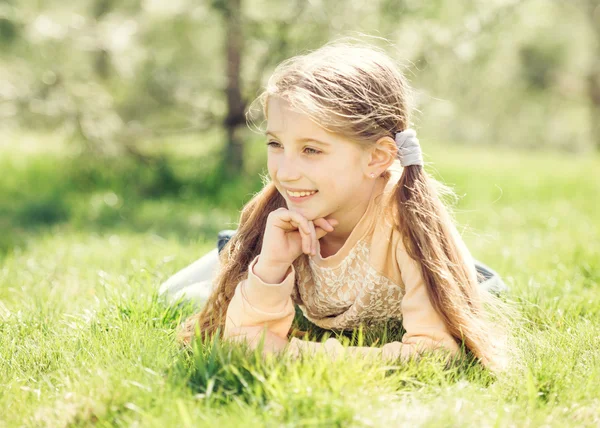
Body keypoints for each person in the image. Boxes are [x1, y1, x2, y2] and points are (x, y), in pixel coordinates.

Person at [166, 40, 510, 371]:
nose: (283, 173)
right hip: (262, 249)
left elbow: (436, 353)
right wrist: (271, 265)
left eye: (311, 150)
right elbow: (242, 342)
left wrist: (294, 354)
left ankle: (479, 275)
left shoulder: (405, 230)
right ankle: (228, 248)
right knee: (178, 297)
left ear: (377, 158)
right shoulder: (281, 221)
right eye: (275, 143)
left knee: (485, 290)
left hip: (406, 260)